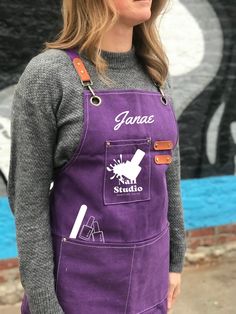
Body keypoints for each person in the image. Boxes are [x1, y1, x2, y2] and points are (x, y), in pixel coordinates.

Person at [7, 0, 187, 313]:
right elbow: (28, 205)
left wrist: (174, 264)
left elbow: (169, 177)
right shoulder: (50, 76)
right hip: (77, 289)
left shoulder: (157, 74)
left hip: (150, 280)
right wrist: (44, 305)